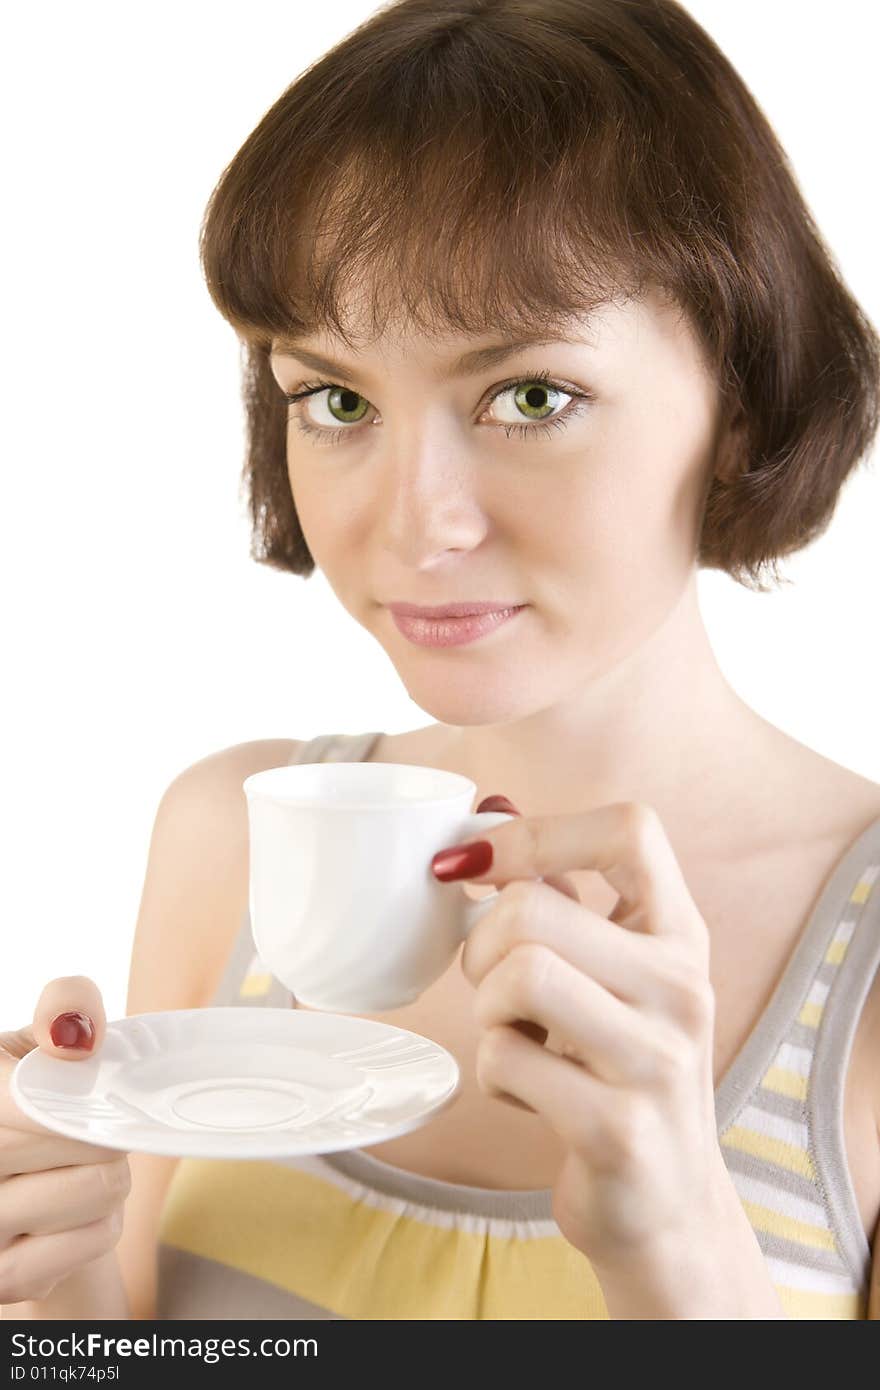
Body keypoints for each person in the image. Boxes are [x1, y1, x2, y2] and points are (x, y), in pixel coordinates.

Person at [2, 0, 879, 1321]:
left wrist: (679, 1236)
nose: (417, 521)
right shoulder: (223, 842)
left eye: (529, 396)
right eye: (337, 399)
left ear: (740, 393)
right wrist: (57, 1296)